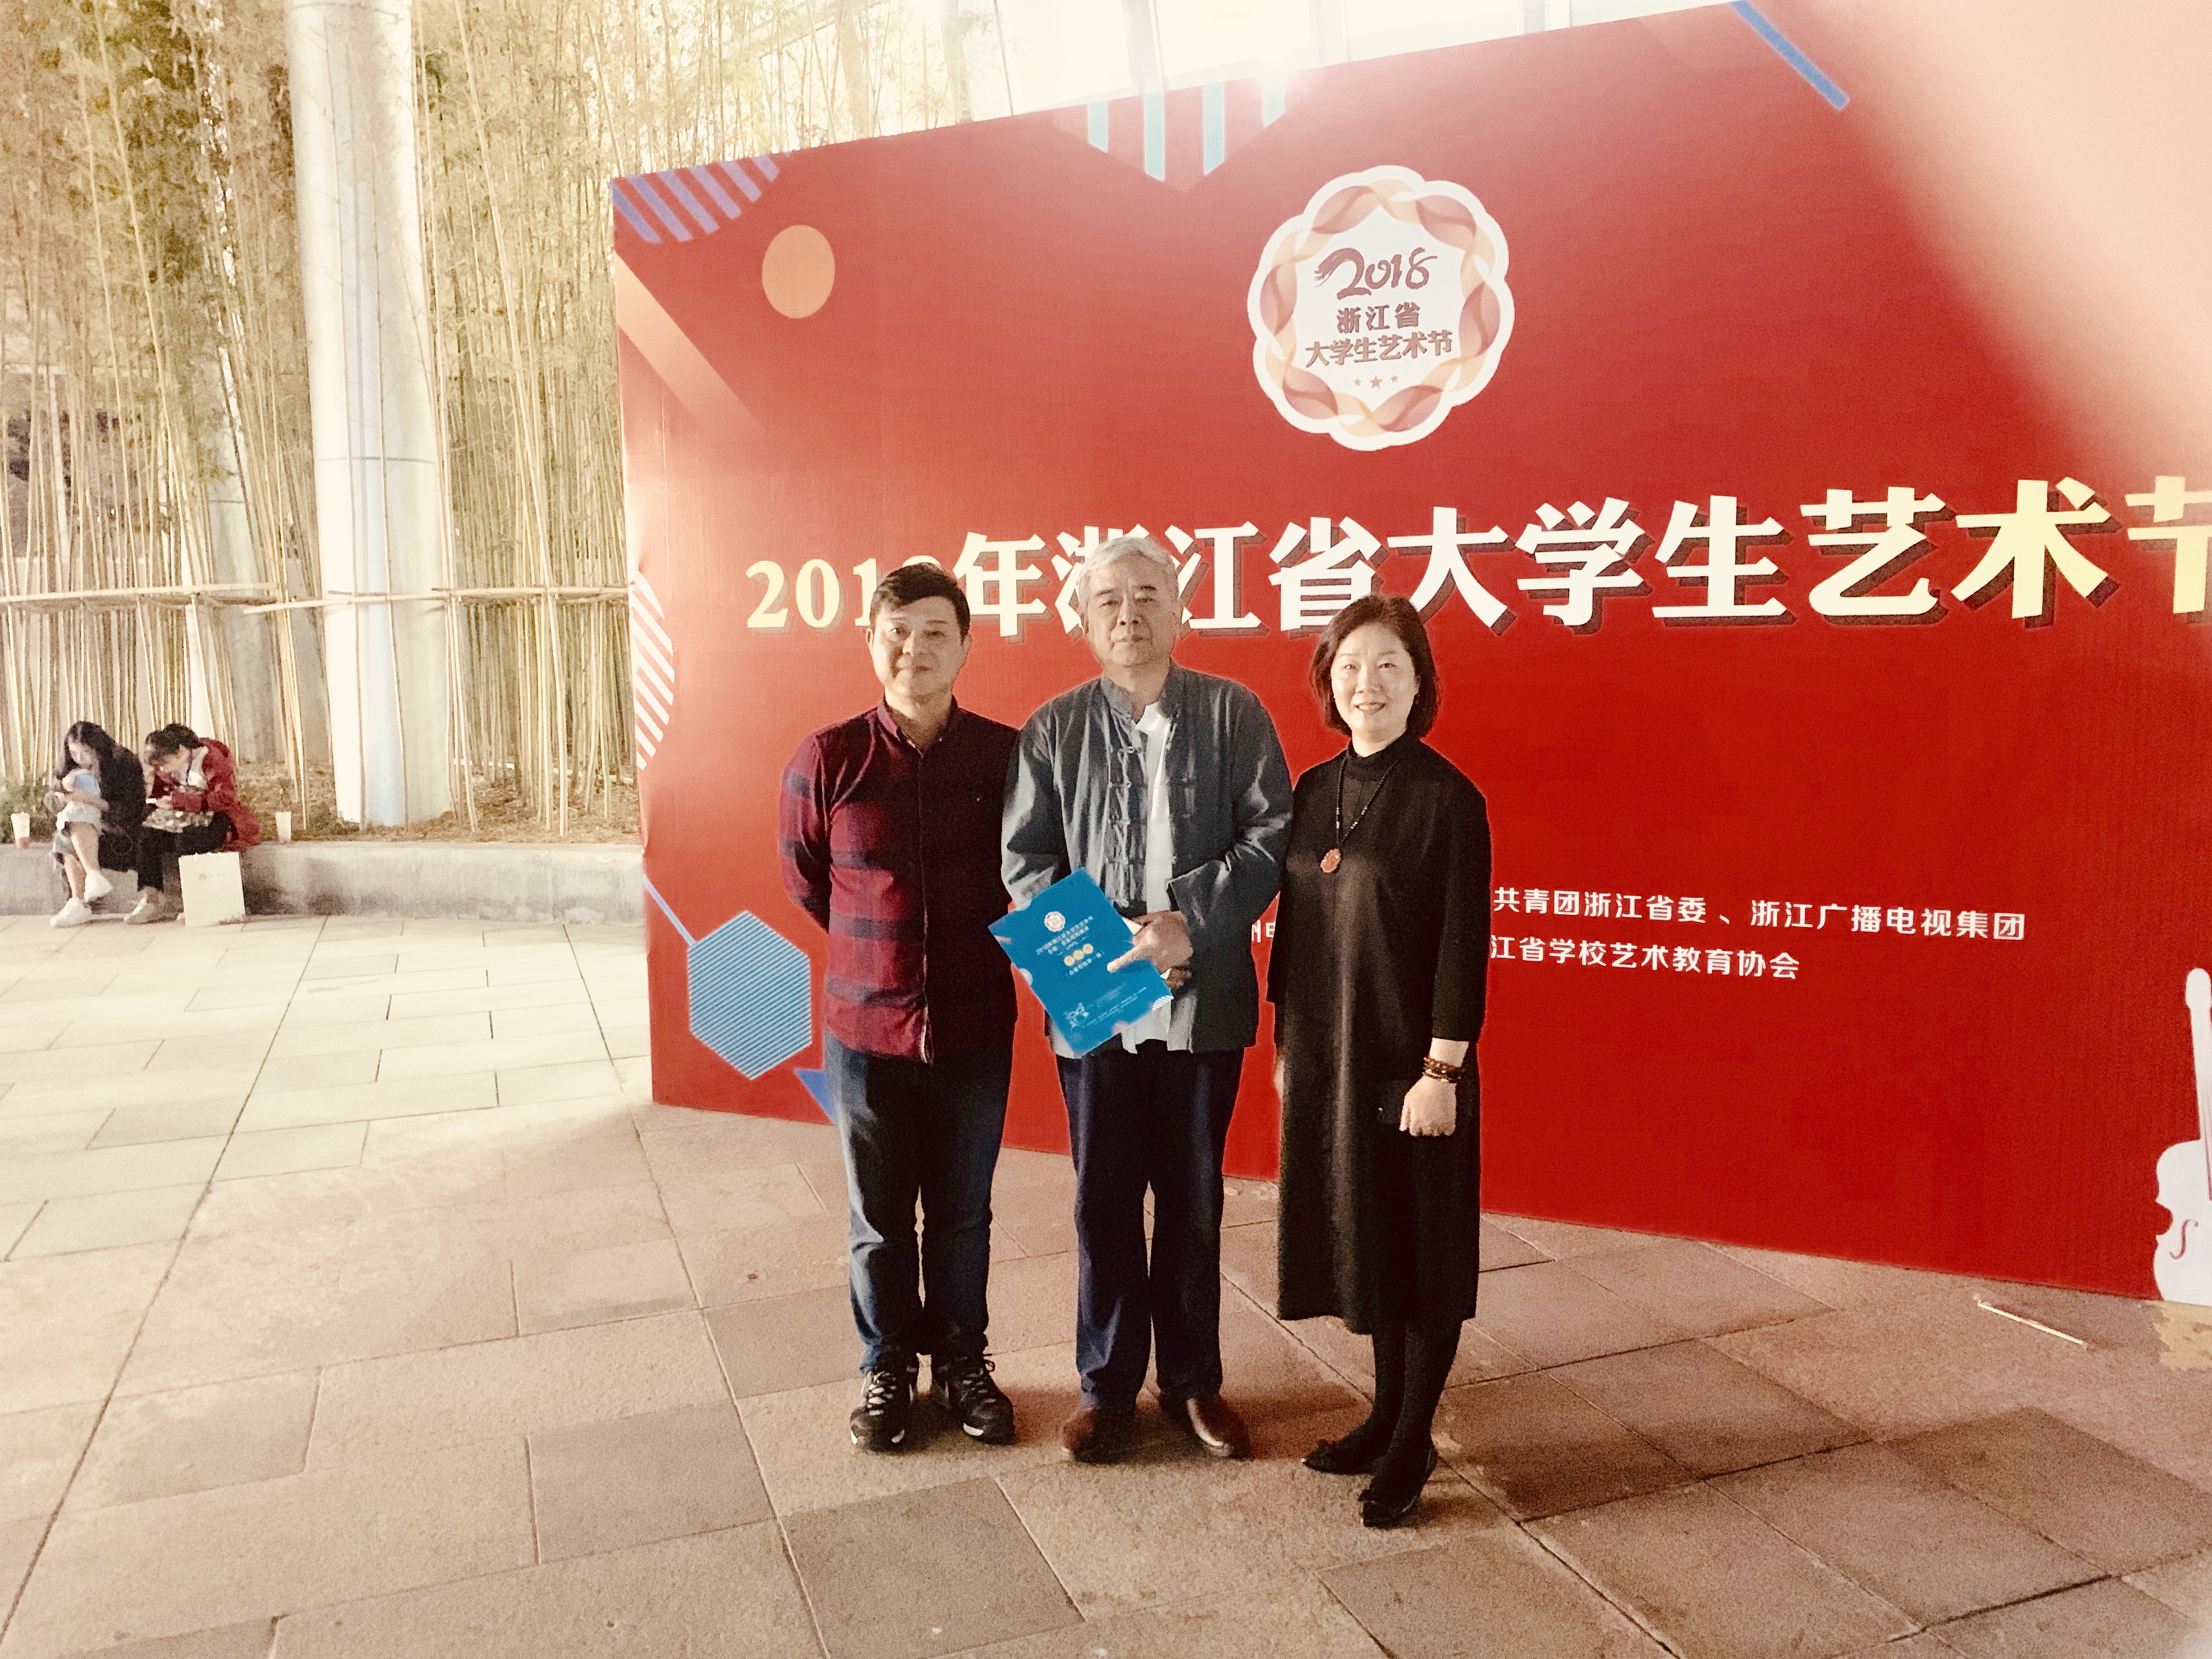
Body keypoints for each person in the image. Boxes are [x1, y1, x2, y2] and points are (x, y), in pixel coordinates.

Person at [1003, 534, 1292, 1464]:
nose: (1128, 614)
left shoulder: (1234, 712)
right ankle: (1107, 1386)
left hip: (1204, 1001)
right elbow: (1025, 860)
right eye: (1108, 600)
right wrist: (1108, 954)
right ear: (1083, 621)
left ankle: (1194, 1381)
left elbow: (1271, 832)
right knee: (1103, 1201)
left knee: (1194, 1200)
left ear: (1181, 609)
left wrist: (1187, 924)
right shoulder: (1052, 728)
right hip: (1094, 1003)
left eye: (1146, 595)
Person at [779, 563, 1022, 1453]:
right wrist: (875, 957)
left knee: (962, 1213)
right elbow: (807, 880)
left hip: (973, 1025)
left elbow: (1039, 873)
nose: (914, 649)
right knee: (878, 1219)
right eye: (898, 632)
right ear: (871, 640)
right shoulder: (828, 757)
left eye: (934, 633)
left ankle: (962, 1362)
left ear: (964, 645)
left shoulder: (1006, 757)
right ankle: (887, 1366)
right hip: (865, 1032)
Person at [1269, 594, 1491, 1529]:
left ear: (1418, 683)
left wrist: (1442, 1074)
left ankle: (1413, 1437)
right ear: (1329, 681)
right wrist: (1287, 1045)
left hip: (1410, 1063)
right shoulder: (1312, 788)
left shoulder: (1449, 799)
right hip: (1331, 1059)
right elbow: (1294, 929)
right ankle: (1385, 1415)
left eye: (1389, 666)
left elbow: (1461, 945)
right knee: (1368, 1238)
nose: (1368, 683)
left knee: (1422, 1250)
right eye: (1351, 666)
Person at [131, 723, 261, 925]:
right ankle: (152, 899)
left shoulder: (211, 759)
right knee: (148, 837)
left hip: (218, 818)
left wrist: (181, 801)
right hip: (182, 816)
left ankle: (196, 901)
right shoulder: (166, 769)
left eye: (164, 764)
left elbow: (225, 798)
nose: (162, 769)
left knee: (188, 841)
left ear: (180, 751)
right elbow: (160, 792)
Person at [46, 722, 146, 929]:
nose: (80, 758)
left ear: (99, 748)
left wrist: (90, 801)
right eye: (74, 753)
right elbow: (50, 801)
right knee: (72, 821)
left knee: (71, 824)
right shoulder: (71, 767)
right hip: (84, 831)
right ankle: (92, 878)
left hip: (119, 832)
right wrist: (63, 791)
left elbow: (131, 808)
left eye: (86, 752)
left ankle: (78, 902)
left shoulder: (123, 763)